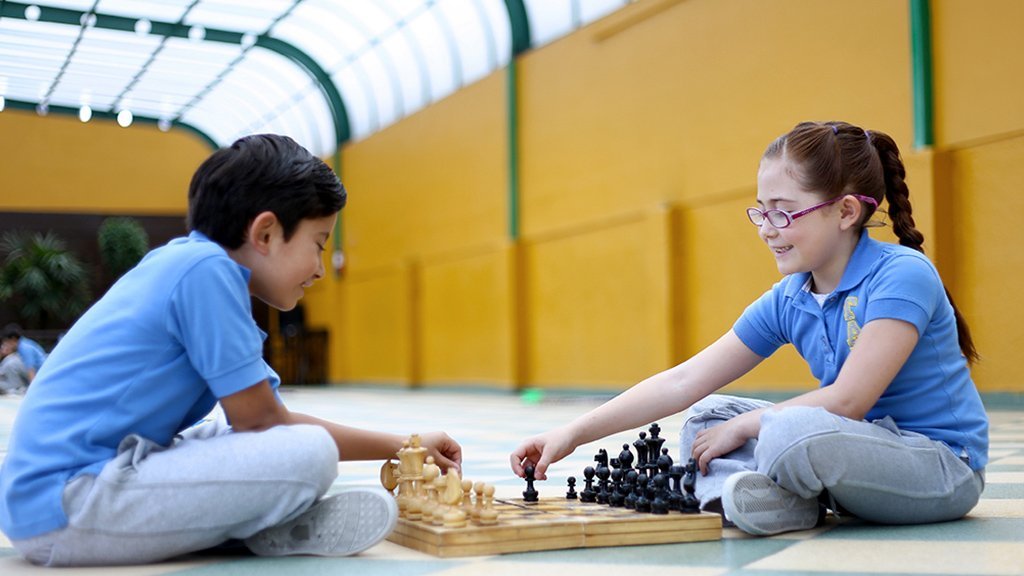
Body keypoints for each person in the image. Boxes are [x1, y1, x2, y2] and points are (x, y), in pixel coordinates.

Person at [0, 134, 462, 566]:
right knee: (310, 454)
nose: (320, 269)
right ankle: (263, 524)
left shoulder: (195, 266)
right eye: (318, 245)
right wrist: (401, 447)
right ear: (265, 233)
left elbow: (264, 420)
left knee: (232, 434)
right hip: (67, 504)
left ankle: (260, 526)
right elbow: (266, 424)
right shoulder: (206, 272)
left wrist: (407, 446)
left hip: (66, 492)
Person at [510, 121, 987, 536]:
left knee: (785, 431)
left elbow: (848, 401)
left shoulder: (901, 274)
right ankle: (774, 503)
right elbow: (683, 382)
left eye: (782, 211)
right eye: (761, 210)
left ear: (845, 212)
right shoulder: (791, 298)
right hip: (847, 448)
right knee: (707, 415)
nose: (766, 228)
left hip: (938, 468)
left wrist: (750, 425)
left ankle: (765, 494)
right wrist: (571, 434)